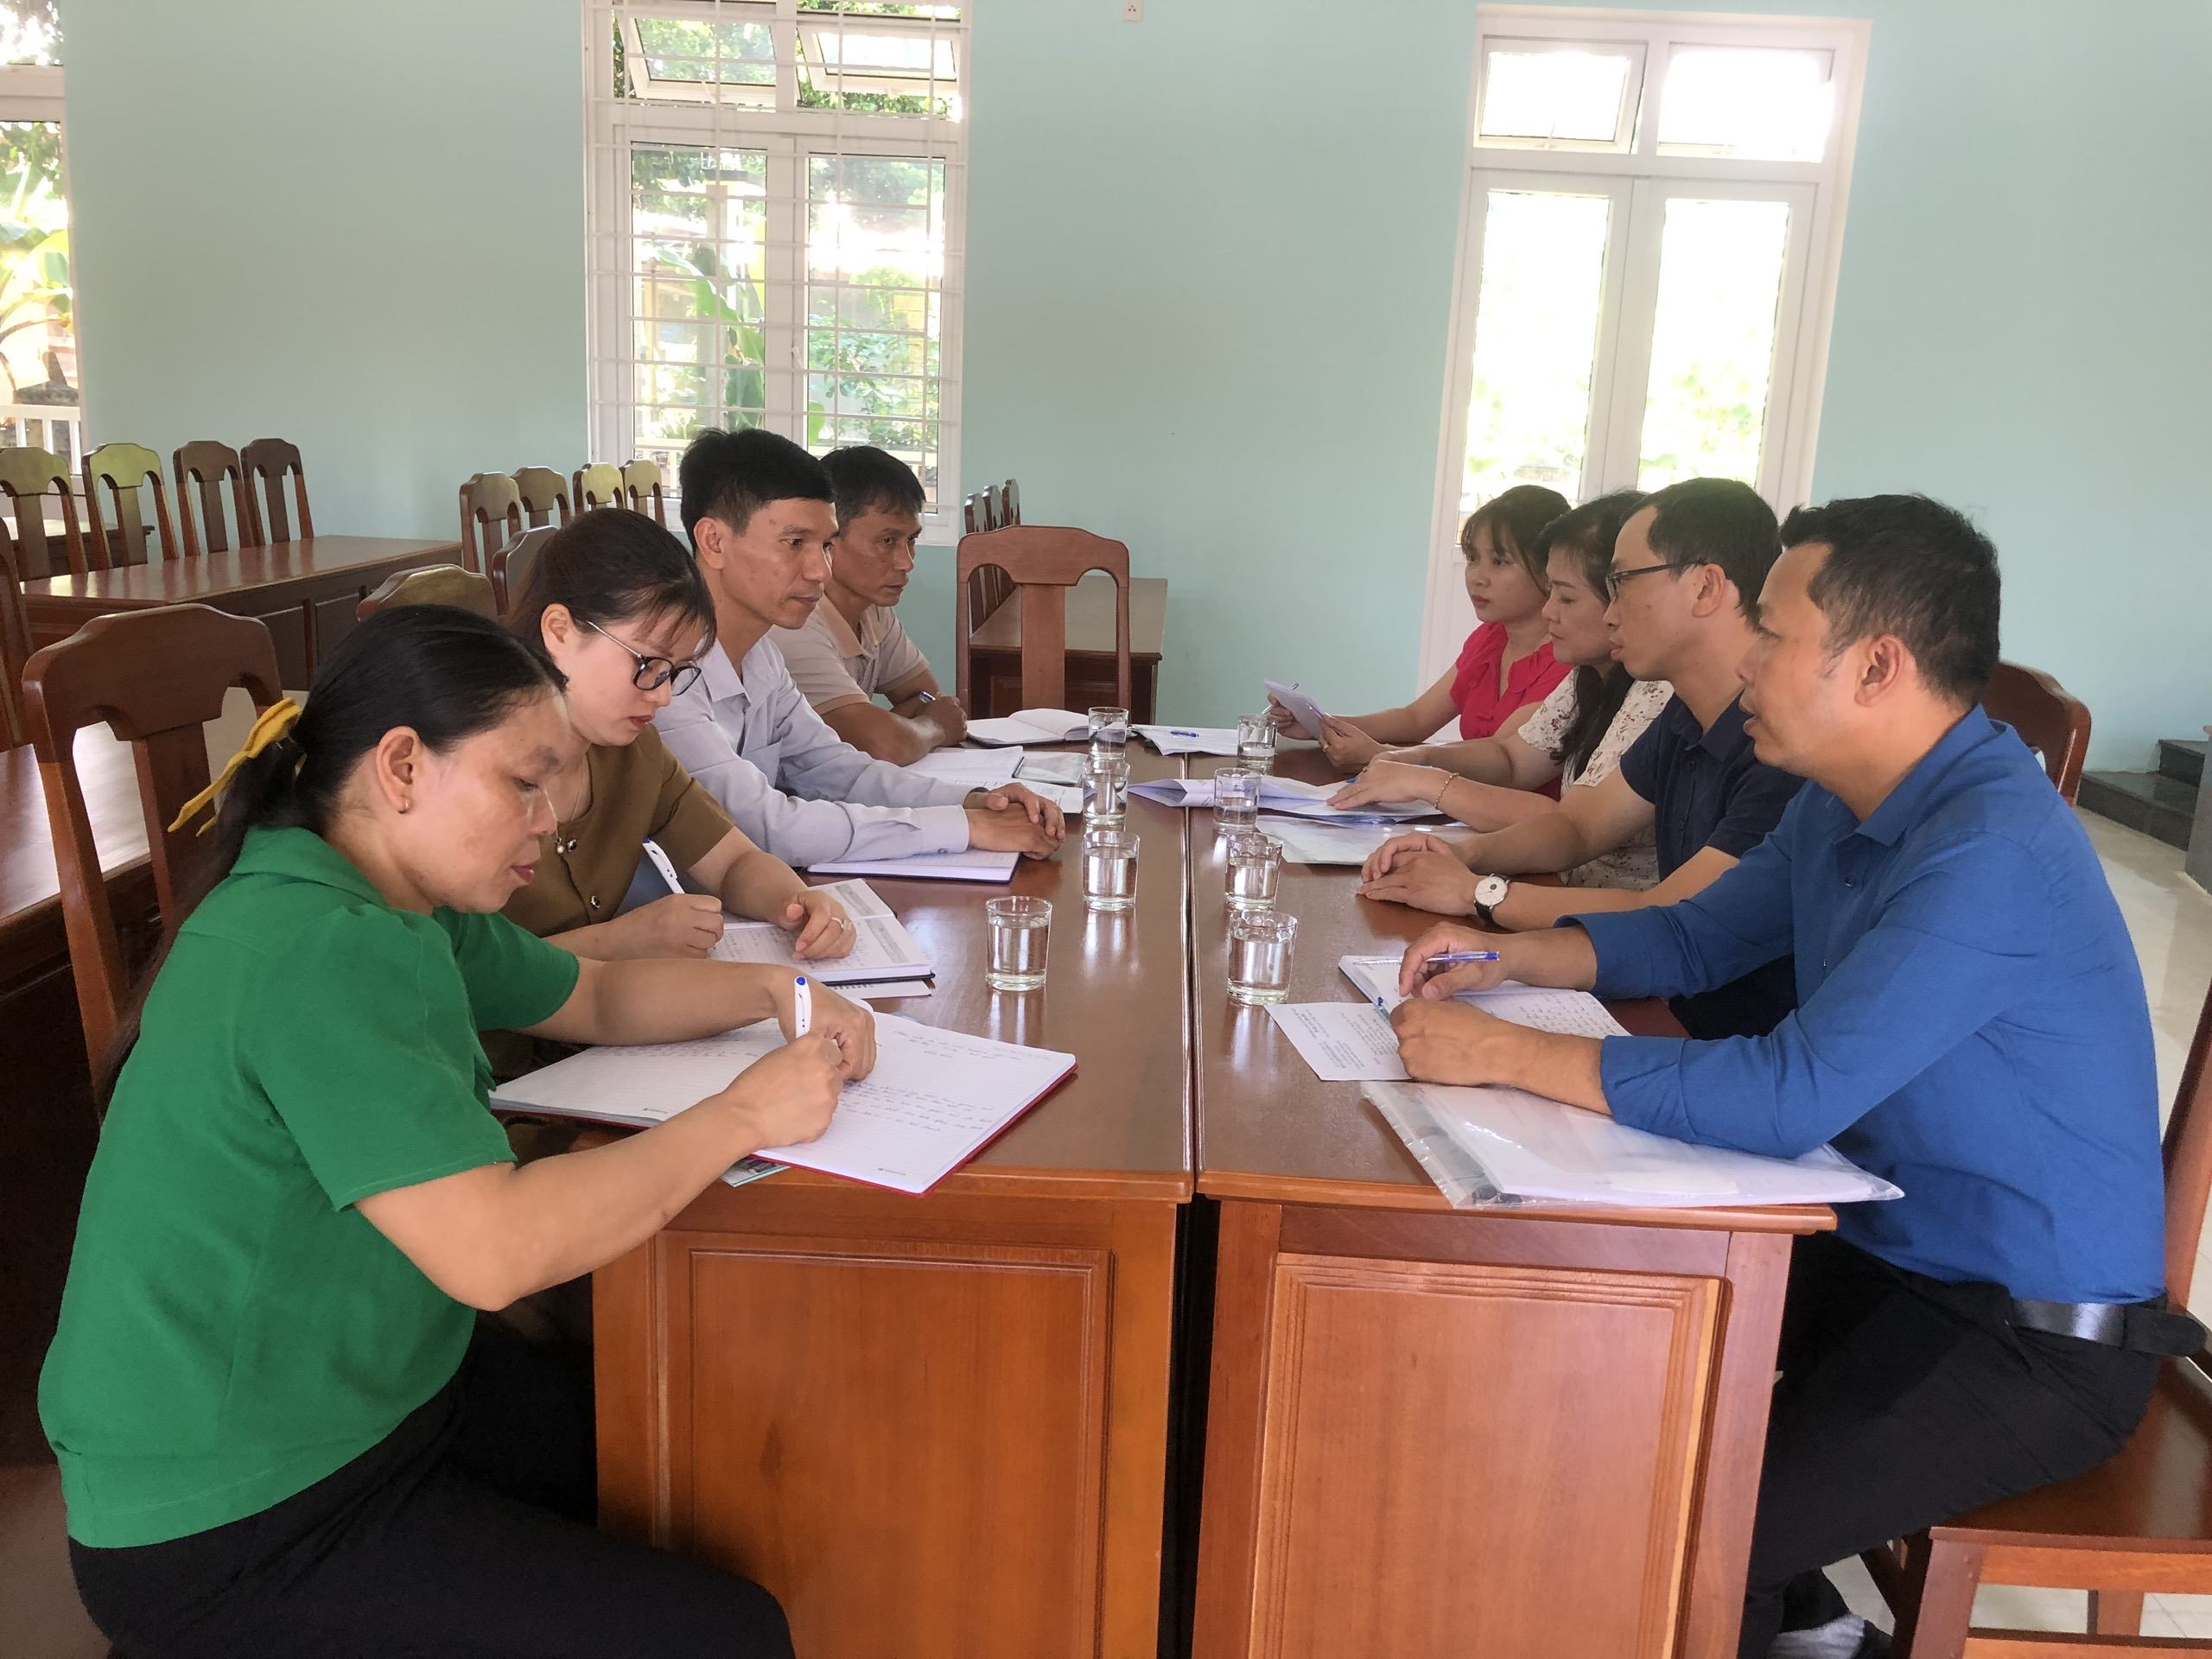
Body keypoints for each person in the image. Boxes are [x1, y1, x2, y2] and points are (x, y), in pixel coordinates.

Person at [1386, 494, 2194, 1659]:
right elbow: (1698, 938)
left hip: (2022, 1337)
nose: (1748, 662)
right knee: (1598, 1363)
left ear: (1876, 665)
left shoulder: (1990, 849)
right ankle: (1809, 1629)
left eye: (1773, 633)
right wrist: (1503, 957)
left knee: (1690, 1536)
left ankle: (1766, 1615)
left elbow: (1787, 1094)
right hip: (1879, 1254)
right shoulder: (1844, 799)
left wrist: (1509, 1052)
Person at [41, 604, 880, 1659]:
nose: (549, 821)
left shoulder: (395, 898)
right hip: (235, 1512)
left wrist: (778, 993)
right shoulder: (320, 948)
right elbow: (496, 1252)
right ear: (402, 767)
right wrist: (747, 1113)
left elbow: (594, 996)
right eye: (523, 784)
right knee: (727, 1631)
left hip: (375, 1394)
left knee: (672, 1449)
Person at [1359, 477, 1802, 1039]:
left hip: (1717, 1040)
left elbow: (1670, 915)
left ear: (1706, 587)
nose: (1610, 613)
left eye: (1620, 584)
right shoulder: (1687, 712)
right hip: (1656, 1002)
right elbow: (1579, 825)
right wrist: (1461, 855)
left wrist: (1479, 892)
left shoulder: (1782, 745)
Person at [658, 429, 1065, 868]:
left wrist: (975, 801)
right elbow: (765, 826)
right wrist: (966, 828)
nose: (820, 570)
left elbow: (840, 771)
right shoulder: (664, 677)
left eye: (825, 546)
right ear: (714, 541)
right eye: (795, 544)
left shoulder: (761, 658)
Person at [501, 508, 853, 960]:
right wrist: (620, 941)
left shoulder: (634, 753)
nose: (663, 696)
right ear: (560, 631)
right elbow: (456, 970)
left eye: (677, 672)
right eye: (648, 664)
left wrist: (795, 902)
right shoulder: (470, 768)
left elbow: (732, 861)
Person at [1328, 491, 1673, 887]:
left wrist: (1425, 781)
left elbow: (1572, 825)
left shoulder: (1656, 691)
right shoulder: (1588, 673)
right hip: (1555, 884)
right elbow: (1511, 758)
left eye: (1566, 597)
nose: (1549, 610)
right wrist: (1416, 761)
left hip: (1593, 902)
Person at [1270, 484, 1571, 771]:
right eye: (1473, 559)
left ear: (1549, 569)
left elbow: (1502, 760)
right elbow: (1415, 719)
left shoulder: (1567, 658)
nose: (1477, 577)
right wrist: (1320, 725)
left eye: (1500, 562)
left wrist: (1382, 755)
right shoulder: (1490, 638)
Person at [770, 444, 966, 763]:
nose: (906, 562)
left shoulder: (873, 609)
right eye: (887, 541)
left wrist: (887, 728)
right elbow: (884, 745)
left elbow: (928, 697)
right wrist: (933, 728)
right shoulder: (796, 622)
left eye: (911, 540)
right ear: (830, 539)